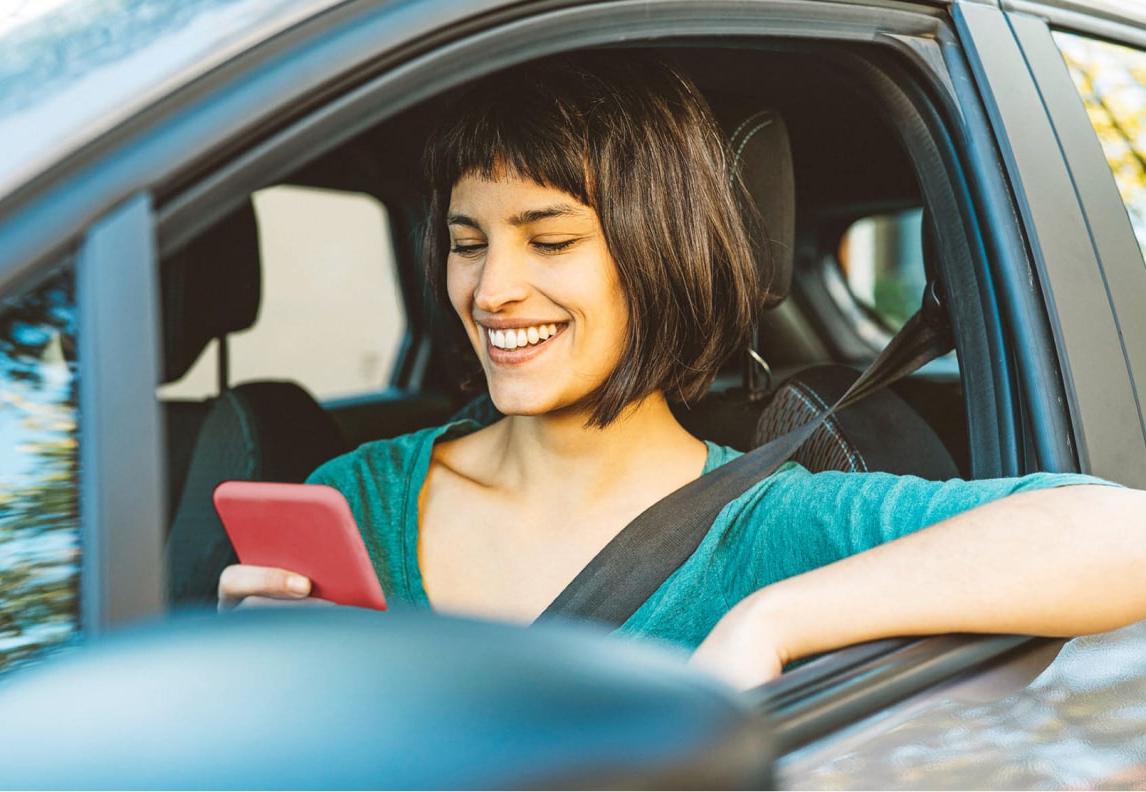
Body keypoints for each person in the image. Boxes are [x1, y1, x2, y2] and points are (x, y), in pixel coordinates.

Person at [218, 50, 1146, 689]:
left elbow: (1119, 532)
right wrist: (239, 670)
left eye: (550, 241)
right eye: (468, 243)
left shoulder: (767, 528)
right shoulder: (355, 497)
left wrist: (771, 621)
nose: (492, 289)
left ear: (658, 256)